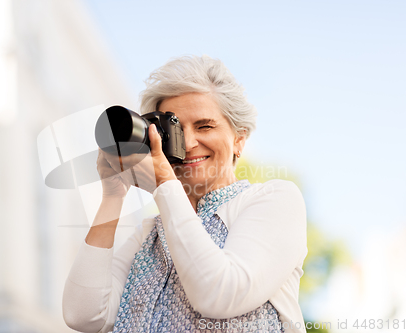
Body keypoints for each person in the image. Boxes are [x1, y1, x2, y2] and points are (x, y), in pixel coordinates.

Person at [62, 55, 307, 333]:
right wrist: (113, 195)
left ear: (239, 138)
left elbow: (220, 294)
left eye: (205, 126)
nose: (189, 144)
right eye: (175, 131)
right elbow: (83, 314)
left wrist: (165, 184)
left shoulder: (274, 199)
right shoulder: (150, 234)